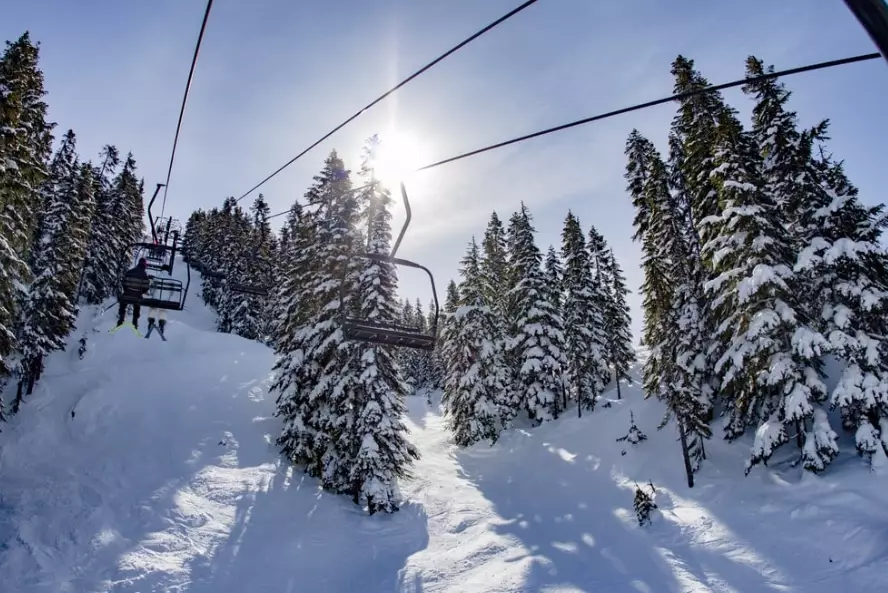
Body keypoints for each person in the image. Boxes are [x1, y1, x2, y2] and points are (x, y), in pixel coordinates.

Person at [117, 258, 151, 328]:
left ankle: (121, 319)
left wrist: (127, 290)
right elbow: (146, 287)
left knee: (123, 302)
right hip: (137, 295)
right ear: (144, 265)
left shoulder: (130, 271)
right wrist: (141, 292)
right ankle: (135, 321)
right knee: (137, 303)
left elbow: (124, 283)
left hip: (127, 293)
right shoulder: (144, 275)